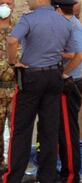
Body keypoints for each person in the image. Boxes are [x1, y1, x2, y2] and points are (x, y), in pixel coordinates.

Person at [5, 0, 78, 181]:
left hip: (31, 76)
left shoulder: (29, 19)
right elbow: (75, 52)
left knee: (21, 129)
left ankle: (13, 177)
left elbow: (12, 40)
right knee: (49, 130)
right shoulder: (65, 21)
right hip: (54, 76)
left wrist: (14, 62)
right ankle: (47, 176)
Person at [52, 0, 82, 182]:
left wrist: (62, 72)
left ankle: (71, 175)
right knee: (60, 130)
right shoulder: (65, 24)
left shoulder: (74, 26)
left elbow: (81, 55)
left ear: (57, 8)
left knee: (67, 130)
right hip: (63, 82)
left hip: (69, 83)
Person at [0, 0, 16, 175]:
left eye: (9, 1)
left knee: (17, 129)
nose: (5, 4)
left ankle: (14, 166)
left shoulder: (21, 25)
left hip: (16, 88)